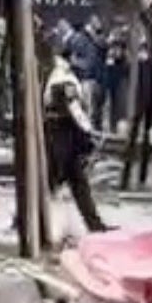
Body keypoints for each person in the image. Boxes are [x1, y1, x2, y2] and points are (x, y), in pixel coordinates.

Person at [42, 45, 106, 234]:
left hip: (59, 133)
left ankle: (95, 224)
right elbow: (74, 110)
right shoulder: (64, 79)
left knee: (77, 182)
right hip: (62, 134)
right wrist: (88, 131)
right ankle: (27, 221)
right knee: (53, 179)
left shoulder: (57, 75)